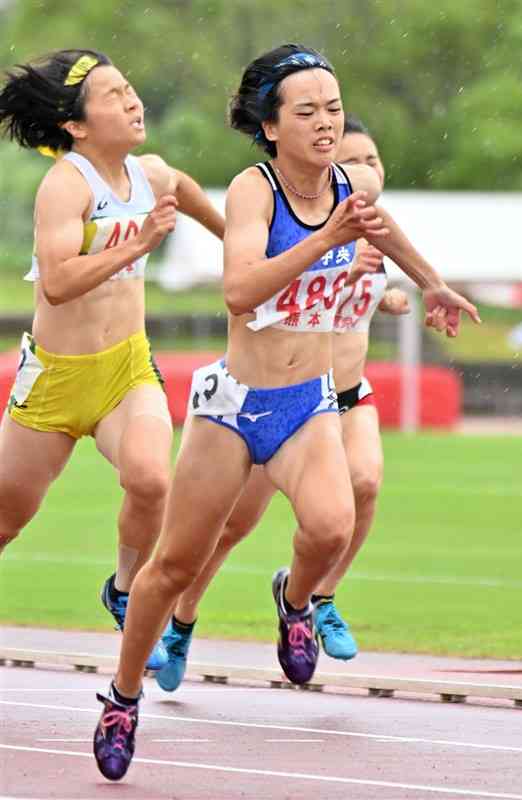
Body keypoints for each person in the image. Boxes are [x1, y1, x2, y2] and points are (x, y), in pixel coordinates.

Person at [92, 43, 480, 782]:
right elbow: (239, 291)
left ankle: (294, 600)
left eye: (332, 109)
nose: (325, 124)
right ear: (272, 127)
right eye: (306, 112)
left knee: (333, 524)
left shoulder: (344, 185)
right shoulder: (254, 189)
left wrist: (431, 282)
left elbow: (382, 226)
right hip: (234, 408)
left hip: (307, 406)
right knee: (172, 565)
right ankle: (122, 694)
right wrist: (324, 242)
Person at [154, 114, 409, 692]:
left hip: (343, 393)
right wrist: (345, 275)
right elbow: (280, 297)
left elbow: (368, 298)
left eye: (373, 161)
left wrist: (394, 293)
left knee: (362, 486)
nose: (365, 172)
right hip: (275, 395)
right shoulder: (292, 219)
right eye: (354, 161)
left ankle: (317, 598)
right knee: (229, 527)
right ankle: (182, 621)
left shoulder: (373, 228)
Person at [0, 49, 225, 670]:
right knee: (5, 521)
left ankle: (124, 592)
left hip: (126, 368)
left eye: (131, 89)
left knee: (153, 479)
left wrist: (239, 246)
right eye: (114, 95)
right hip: (55, 380)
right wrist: (145, 241)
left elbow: (180, 186)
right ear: (75, 124)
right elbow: (58, 283)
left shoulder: (148, 173)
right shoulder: (64, 186)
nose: (133, 102)